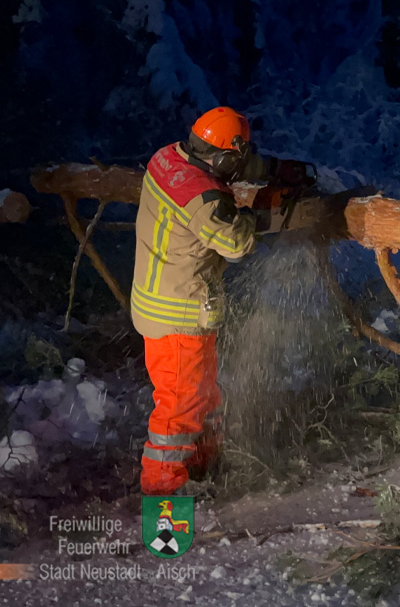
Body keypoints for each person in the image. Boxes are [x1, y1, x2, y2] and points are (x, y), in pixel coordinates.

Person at [132, 106, 338, 496]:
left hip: (164, 299)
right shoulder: (205, 200)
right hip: (177, 315)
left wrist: (273, 169)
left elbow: (225, 166)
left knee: (204, 396)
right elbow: (236, 242)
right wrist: (263, 213)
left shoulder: (168, 157)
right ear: (224, 159)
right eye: (237, 160)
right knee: (177, 411)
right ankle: (163, 495)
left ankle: (204, 468)